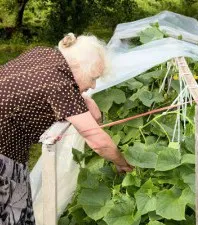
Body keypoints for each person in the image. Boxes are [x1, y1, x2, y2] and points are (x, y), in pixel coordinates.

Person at [0, 33, 133, 224]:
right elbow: (98, 141)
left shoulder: (44, 54)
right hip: (4, 153)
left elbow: (45, 86)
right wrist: (123, 163)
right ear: (78, 67)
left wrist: (83, 99)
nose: (93, 85)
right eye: (93, 78)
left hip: (8, 142)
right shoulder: (61, 86)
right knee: (12, 215)